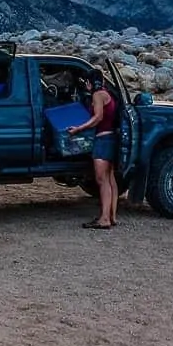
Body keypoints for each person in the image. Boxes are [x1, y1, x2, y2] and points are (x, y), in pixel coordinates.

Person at [67, 68, 119, 230]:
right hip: (111, 138)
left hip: (102, 139)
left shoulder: (97, 96)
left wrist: (78, 129)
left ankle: (104, 219)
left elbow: (98, 117)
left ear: (89, 83)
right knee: (110, 179)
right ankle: (112, 216)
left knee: (101, 179)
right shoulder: (108, 95)